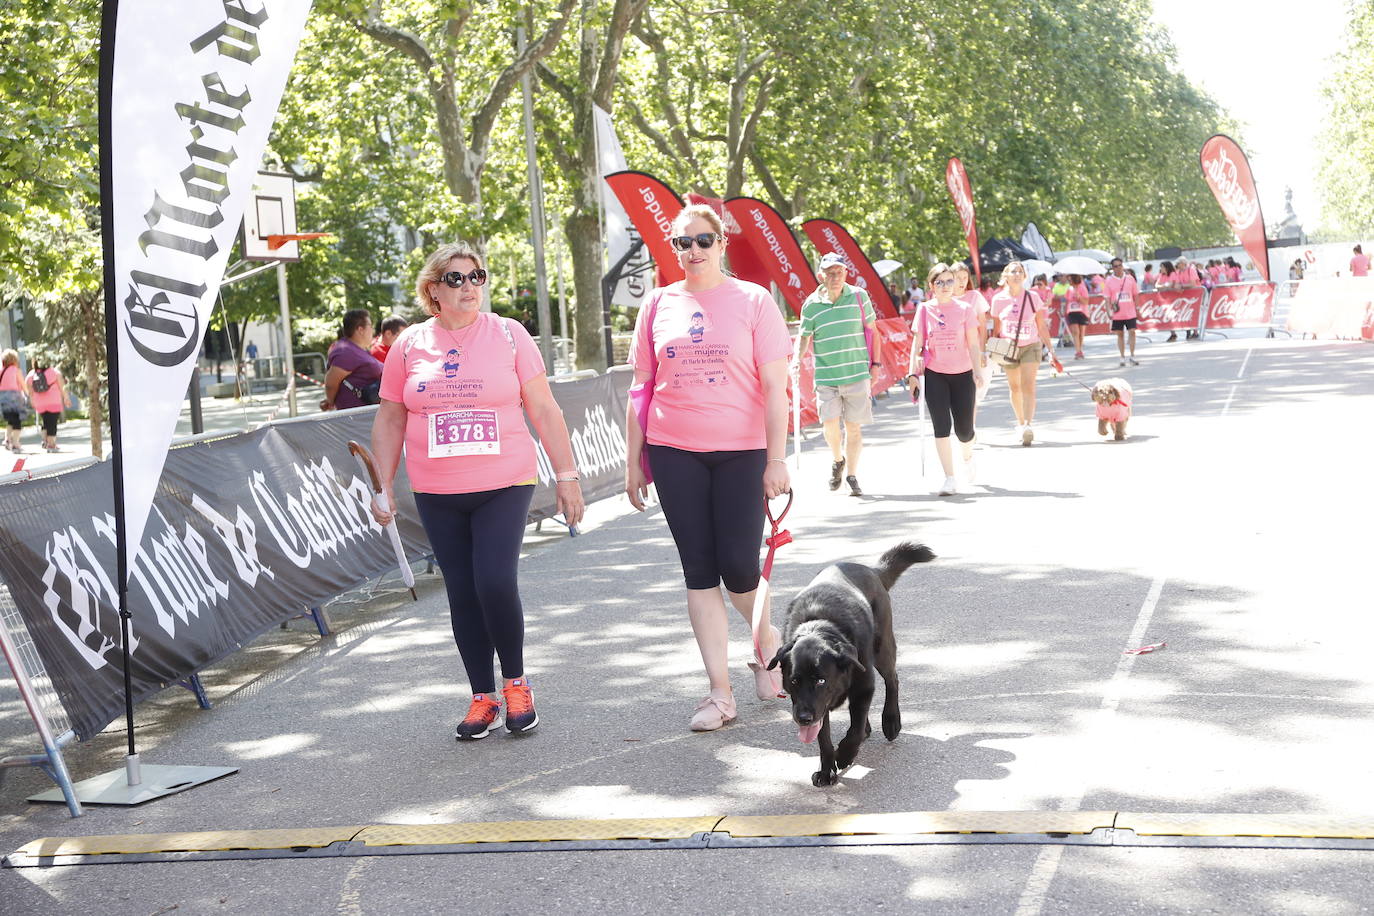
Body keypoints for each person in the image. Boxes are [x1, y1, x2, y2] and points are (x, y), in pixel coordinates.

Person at [370, 241, 585, 741]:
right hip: (436, 489)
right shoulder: (408, 346)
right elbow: (390, 417)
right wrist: (381, 485)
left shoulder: (509, 335)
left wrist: (567, 474)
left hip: (504, 482)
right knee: (462, 592)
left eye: (476, 277)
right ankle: (481, 697)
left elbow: (544, 408)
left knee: (493, 581)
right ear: (433, 291)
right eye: (456, 279)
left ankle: (515, 683)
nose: (469, 287)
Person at [624, 203, 791, 732]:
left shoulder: (754, 301)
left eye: (702, 241)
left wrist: (776, 458)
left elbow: (774, 387)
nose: (692, 251)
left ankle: (766, 642)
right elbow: (640, 387)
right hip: (674, 449)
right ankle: (720, 693)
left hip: (742, 452)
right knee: (698, 570)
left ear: (721, 244)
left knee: (740, 569)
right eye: (682, 243)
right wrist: (634, 462)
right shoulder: (656, 305)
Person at [798, 252, 883, 497]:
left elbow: (873, 331)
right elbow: (804, 337)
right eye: (830, 273)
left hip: (857, 373)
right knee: (830, 425)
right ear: (821, 275)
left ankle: (852, 475)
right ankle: (838, 459)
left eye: (839, 272)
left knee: (854, 427)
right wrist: (796, 360)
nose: (835, 277)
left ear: (846, 273)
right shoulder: (811, 304)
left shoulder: (859, 296)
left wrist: (875, 365)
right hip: (826, 376)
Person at [908, 263, 985, 495]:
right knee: (941, 426)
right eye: (939, 282)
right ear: (931, 286)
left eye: (949, 281)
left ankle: (968, 455)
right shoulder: (923, 309)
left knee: (964, 431)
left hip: (962, 374)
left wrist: (977, 370)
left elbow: (973, 343)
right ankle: (949, 478)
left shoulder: (965, 309)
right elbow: (917, 344)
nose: (945, 286)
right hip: (935, 374)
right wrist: (912, 373)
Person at [990, 261, 1055, 445]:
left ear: (1024, 277)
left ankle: (1028, 425)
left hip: (1031, 346)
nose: (1017, 274)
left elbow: (1041, 325)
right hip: (1008, 348)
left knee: (1028, 385)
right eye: (1013, 271)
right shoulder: (998, 300)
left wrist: (1050, 349)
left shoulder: (1033, 297)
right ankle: (1020, 423)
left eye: (1020, 271)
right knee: (1015, 387)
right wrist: (992, 354)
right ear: (1006, 277)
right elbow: (996, 329)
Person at [322, 309, 384, 411]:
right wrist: (330, 402)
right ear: (360, 329)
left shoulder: (356, 349)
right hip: (356, 417)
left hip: (366, 414)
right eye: (370, 326)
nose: (372, 330)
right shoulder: (345, 352)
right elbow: (330, 383)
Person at [952, 263, 994, 409]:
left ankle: (971, 428)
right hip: (952, 352)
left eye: (965, 277)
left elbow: (982, 327)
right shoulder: (945, 298)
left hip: (973, 351)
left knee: (972, 394)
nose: (962, 281)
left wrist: (982, 351)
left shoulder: (974, 296)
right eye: (958, 278)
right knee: (956, 395)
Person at [1104, 257, 1141, 366]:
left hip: (1130, 311)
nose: (1118, 268)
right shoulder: (1109, 280)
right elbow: (1106, 298)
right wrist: (1108, 311)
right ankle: (1122, 356)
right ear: (1112, 268)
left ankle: (1133, 355)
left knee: (1132, 332)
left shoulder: (1130, 278)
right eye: (1115, 266)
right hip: (1117, 313)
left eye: (1120, 265)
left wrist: (1137, 308)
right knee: (1120, 335)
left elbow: (1136, 294)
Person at [26, 360, 69, 452]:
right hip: (54, 401)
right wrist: (66, 398)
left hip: (40, 403)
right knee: (52, 423)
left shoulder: (31, 374)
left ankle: (45, 441)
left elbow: (30, 391)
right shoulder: (54, 372)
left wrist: (32, 401)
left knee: (45, 422)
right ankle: (51, 444)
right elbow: (62, 387)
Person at [0, 349, 28, 453]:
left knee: (10, 420)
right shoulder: (16, 370)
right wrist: (27, 394)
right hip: (14, 398)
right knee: (17, 421)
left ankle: (7, 440)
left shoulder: (1, 371)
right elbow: (22, 383)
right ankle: (15, 444)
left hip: (3, 399)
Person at [1064, 273, 1090, 359]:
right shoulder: (1069, 289)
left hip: (1082, 312)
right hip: (1071, 312)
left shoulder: (1082, 287)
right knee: (1075, 332)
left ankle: (1080, 349)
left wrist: (1079, 297)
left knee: (1081, 333)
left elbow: (1086, 301)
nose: (1069, 281)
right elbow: (1067, 301)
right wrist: (1065, 311)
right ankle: (1077, 351)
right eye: (1068, 280)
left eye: (1070, 280)